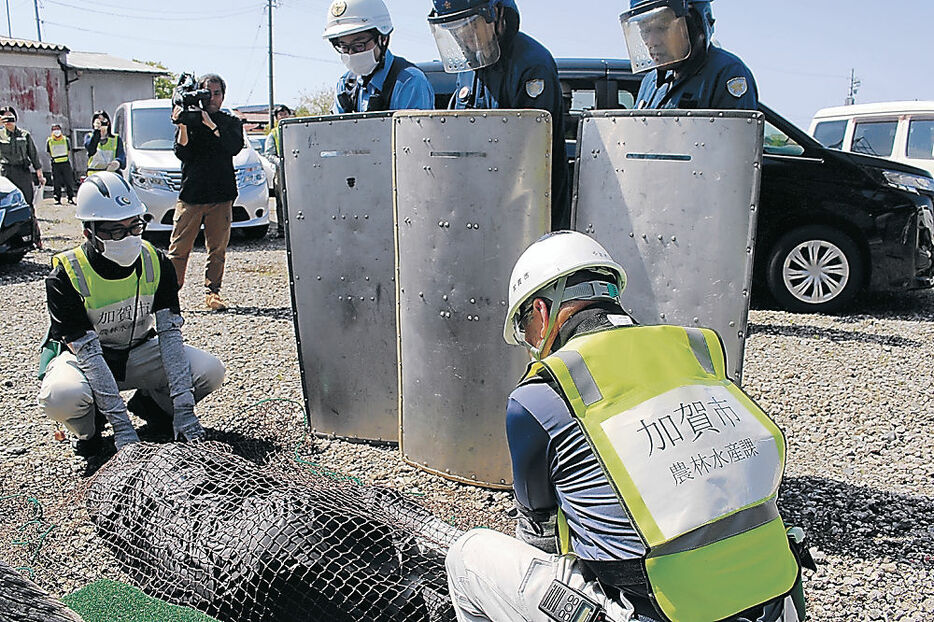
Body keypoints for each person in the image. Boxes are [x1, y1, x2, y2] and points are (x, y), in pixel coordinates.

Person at [445, 231, 806, 622]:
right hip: (774, 601)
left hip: (652, 611)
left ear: (542, 312)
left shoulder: (539, 394)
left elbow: (539, 532)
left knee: (467, 556)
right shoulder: (698, 350)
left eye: (525, 329)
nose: (530, 343)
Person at [37, 172, 225, 458]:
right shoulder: (65, 274)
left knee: (209, 370)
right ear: (89, 232)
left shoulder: (155, 260)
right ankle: (90, 428)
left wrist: (184, 410)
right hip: (86, 360)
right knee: (61, 396)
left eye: (135, 226)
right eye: (114, 231)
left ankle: (153, 406)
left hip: (139, 351)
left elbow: (170, 335)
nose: (127, 237)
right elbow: (86, 352)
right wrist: (122, 428)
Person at [428, 0, 570, 230]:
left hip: (525, 215)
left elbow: (530, 160)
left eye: (470, 26)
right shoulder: (469, 68)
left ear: (496, 12)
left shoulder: (532, 64)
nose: (465, 37)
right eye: (456, 30)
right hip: (478, 213)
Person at [168, 73, 244, 312]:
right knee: (178, 249)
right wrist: (182, 123)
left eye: (217, 93)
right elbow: (182, 152)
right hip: (192, 193)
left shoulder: (230, 122)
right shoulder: (190, 120)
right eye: (206, 92)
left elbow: (232, 147)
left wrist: (211, 126)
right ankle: (170, 294)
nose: (211, 98)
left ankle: (213, 292)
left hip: (221, 194)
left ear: (223, 96)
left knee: (217, 248)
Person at [621, 0, 758, 110]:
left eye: (662, 28)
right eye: (644, 30)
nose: (651, 42)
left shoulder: (727, 73)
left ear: (695, 25)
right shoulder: (650, 82)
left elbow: (733, 142)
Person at [324, 0, 435, 113]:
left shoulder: (410, 82)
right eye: (344, 47)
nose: (351, 54)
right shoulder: (345, 85)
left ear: (383, 39)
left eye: (359, 45)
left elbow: (413, 130)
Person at [0, 106, 45, 206]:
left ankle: (31, 219)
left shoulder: (24, 135)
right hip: (6, 172)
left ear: (15, 118)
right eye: (4, 118)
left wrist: (40, 175)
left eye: (10, 117)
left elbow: (33, 155)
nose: (8, 120)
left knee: (27, 198)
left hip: (22, 170)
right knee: (7, 200)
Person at [264, 104, 292, 238]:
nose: (283, 116)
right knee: (281, 201)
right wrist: (281, 162)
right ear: (276, 118)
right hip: (281, 172)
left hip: (297, 171)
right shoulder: (273, 134)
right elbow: (269, 154)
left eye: (285, 113)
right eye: (280, 114)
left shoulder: (296, 131)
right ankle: (282, 229)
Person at [84, 110, 126, 175]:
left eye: (103, 121)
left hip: (111, 174)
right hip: (94, 174)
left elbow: (122, 156)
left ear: (108, 123)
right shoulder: (89, 137)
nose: (101, 125)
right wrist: (96, 132)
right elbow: (91, 149)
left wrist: (118, 162)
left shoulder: (116, 139)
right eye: (98, 121)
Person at [46, 123, 77, 205]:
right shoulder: (49, 141)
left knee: (68, 181)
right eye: (54, 129)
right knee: (56, 182)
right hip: (55, 164)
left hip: (65, 162)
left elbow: (69, 150)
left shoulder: (65, 139)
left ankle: (70, 198)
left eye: (57, 129)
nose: (56, 131)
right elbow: (49, 151)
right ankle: (57, 198)